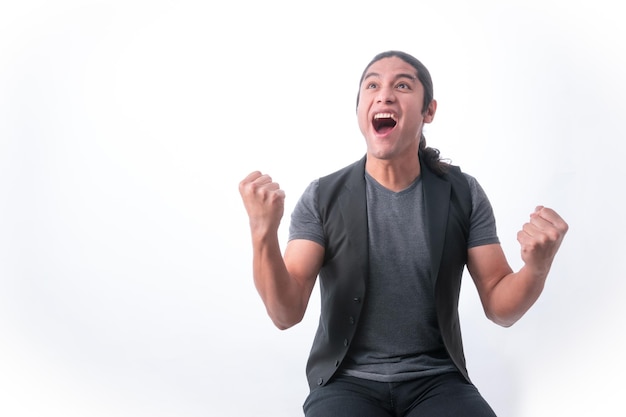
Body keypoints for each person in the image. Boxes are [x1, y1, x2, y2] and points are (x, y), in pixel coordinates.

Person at [238, 50, 568, 417]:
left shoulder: (463, 193)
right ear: (361, 108)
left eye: (403, 85)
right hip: (345, 382)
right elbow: (286, 313)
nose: (385, 95)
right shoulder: (322, 197)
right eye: (373, 85)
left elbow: (499, 306)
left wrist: (536, 268)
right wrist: (262, 235)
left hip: (438, 381)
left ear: (429, 111)